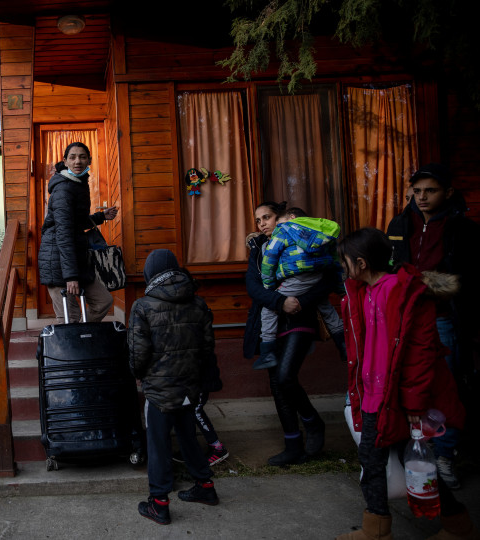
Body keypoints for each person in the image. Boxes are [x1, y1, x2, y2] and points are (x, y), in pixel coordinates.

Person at [337, 227, 476, 540]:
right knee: (395, 460)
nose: (341, 266)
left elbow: (420, 354)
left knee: (387, 462)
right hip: (374, 395)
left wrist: (414, 404)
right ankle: (457, 525)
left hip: (397, 398)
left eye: (344, 260)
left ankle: (380, 531)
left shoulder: (404, 294)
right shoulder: (360, 292)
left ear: (360, 263)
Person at [386, 163, 480, 489]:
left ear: (448, 192)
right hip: (404, 319)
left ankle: (444, 454)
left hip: (443, 319)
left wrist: (422, 285)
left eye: (431, 191)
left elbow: (465, 281)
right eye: (418, 191)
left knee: (447, 388)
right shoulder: (399, 223)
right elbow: (390, 270)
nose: (422, 197)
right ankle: (415, 452)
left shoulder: (462, 229)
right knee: (406, 384)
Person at [129, 249, 222, 525]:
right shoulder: (198, 303)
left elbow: (137, 354)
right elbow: (207, 348)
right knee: (187, 436)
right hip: (189, 388)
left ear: (150, 273)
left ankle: (159, 504)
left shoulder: (143, 306)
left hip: (159, 391)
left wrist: (137, 375)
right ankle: (206, 488)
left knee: (158, 445)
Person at [244, 201, 337, 465]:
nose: (262, 223)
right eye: (258, 219)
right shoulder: (259, 250)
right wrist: (279, 302)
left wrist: (300, 302)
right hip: (270, 323)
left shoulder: (308, 242)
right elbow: (253, 286)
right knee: (277, 383)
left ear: (282, 218)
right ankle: (293, 445)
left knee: (286, 376)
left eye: (268, 217)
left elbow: (328, 280)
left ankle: (313, 422)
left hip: (299, 319)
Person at [254, 206, 346, 370]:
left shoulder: (284, 230)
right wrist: (340, 287)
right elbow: (335, 260)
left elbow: (270, 258)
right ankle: (344, 344)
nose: (277, 226)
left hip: (295, 278)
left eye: (278, 221)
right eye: (258, 221)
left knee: (269, 308)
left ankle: (267, 350)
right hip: (318, 277)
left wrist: (268, 285)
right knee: (326, 307)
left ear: (291, 217)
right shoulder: (321, 232)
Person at [38, 141, 118, 323]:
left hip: (76, 260)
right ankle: (70, 345)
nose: (77, 161)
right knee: (69, 318)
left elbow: (76, 221)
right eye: (72, 157)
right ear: (65, 161)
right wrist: (71, 276)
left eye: (82, 157)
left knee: (103, 302)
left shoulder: (78, 183)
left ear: (89, 160)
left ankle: (81, 336)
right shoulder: (64, 189)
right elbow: (64, 234)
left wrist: (100, 216)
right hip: (58, 261)